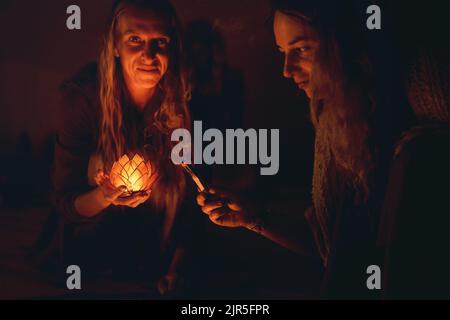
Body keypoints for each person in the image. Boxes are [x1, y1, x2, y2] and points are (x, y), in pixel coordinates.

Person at [196, 0, 393, 298]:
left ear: (340, 42)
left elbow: (356, 258)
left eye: (301, 49)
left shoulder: (376, 125)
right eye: (282, 52)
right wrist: (253, 218)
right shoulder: (333, 121)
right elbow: (327, 243)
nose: (286, 70)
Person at [37, 0, 197, 296]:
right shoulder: (83, 98)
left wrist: (177, 268)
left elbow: (190, 195)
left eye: (159, 41)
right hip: (91, 242)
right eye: (135, 39)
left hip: (155, 248)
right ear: (114, 46)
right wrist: (104, 195)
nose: (149, 55)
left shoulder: (183, 97)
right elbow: (65, 202)